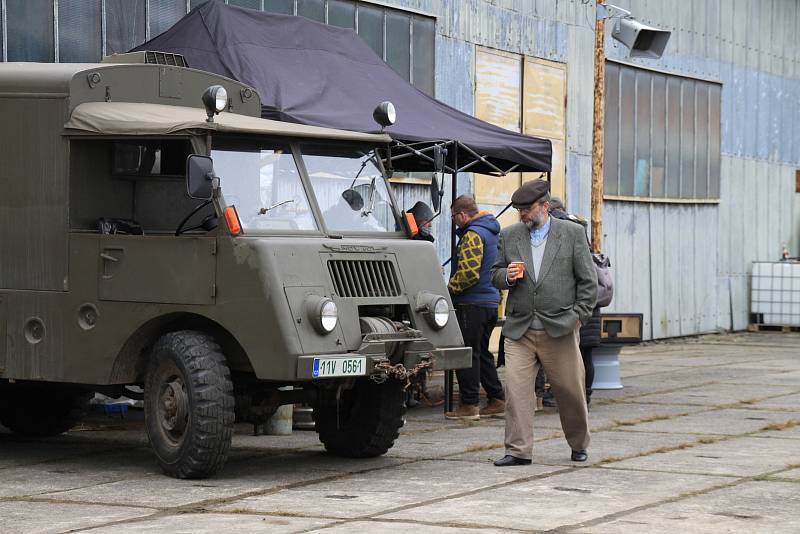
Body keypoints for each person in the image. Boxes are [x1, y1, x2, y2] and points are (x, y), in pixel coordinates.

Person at [490, 180, 596, 466]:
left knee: (570, 391)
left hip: (560, 327)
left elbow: (589, 281)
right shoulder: (510, 235)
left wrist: (578, 317)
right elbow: (495, 274)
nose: (522, 214)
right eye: (519, 209)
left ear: (545, 206)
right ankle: (518, 450)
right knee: (516, 392)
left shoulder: (572, 233)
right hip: (520, 328)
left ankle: (578, 443)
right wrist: (507, 276)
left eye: (527, 208)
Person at [444, 195, 505, 420]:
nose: (455, 222)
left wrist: (448, 290)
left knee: (466, 354)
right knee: (482, 353)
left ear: (461, 214)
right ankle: (497, 398)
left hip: (472, 302)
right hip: (490, 302)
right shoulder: (493, 233)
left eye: (453, 217)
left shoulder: (473, 234)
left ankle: (469, 405)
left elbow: (469, 273)